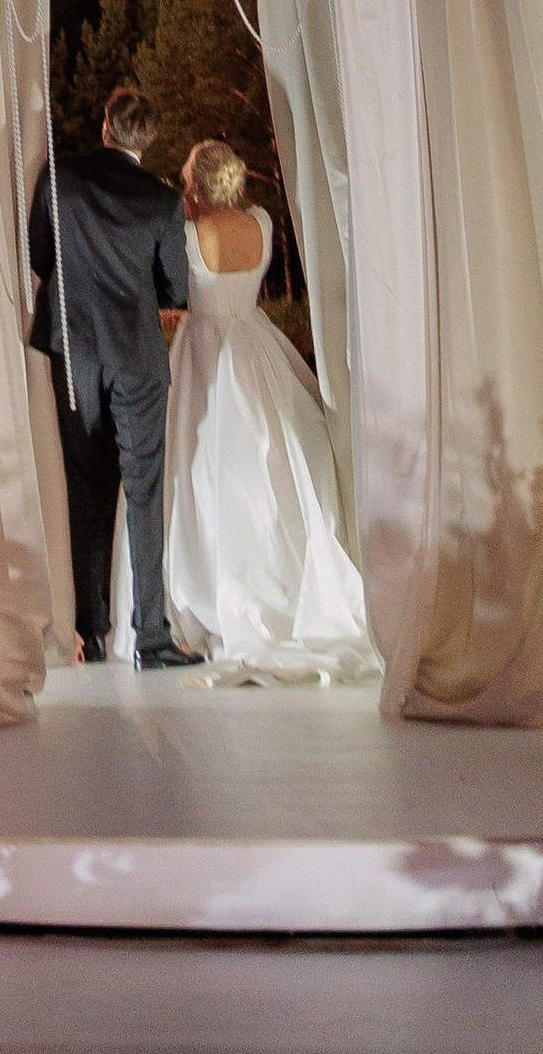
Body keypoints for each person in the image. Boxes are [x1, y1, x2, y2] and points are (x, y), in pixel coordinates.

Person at [160, 139, 377, 685]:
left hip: (205, 351)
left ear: (197, 185)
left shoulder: (188, 235)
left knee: (204, 469)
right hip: (257, 344)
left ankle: (210, 590)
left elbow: (175, 290)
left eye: (187, 179)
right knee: (276, 458)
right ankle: (284, 576)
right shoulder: (260, 222)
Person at [29, 80, 200, 671]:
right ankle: (152, 636)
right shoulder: (161, 201)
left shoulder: (60, 178)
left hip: (74, 351)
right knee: (144, 491)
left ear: (106, 126)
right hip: (137, 357)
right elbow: (175, 287)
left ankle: (91, 633)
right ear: (146, 140)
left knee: (87, 489)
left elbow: (40, 256)